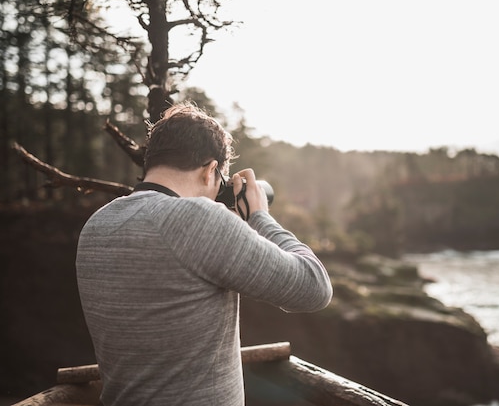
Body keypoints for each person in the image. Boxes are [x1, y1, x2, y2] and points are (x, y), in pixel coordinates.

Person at [75, 102, 333, 406]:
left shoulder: (98, 223)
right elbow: (314, 288)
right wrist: (260, 216)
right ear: (211, 170)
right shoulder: (197, 218)